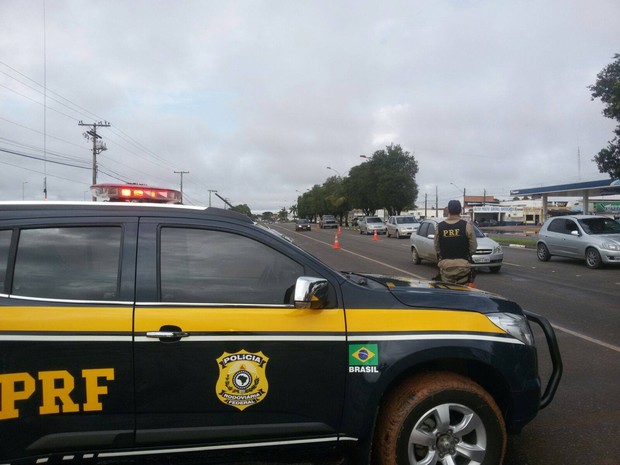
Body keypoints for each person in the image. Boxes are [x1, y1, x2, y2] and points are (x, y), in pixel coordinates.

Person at [433, 200, 477, 285]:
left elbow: (437, 247)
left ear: (448, 210)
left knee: (447, 292)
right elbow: (473, 247)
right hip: (463, 267)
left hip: (446, 267)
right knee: (465, 293)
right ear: (460, 210)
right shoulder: (467, 226)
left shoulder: (440, 226)